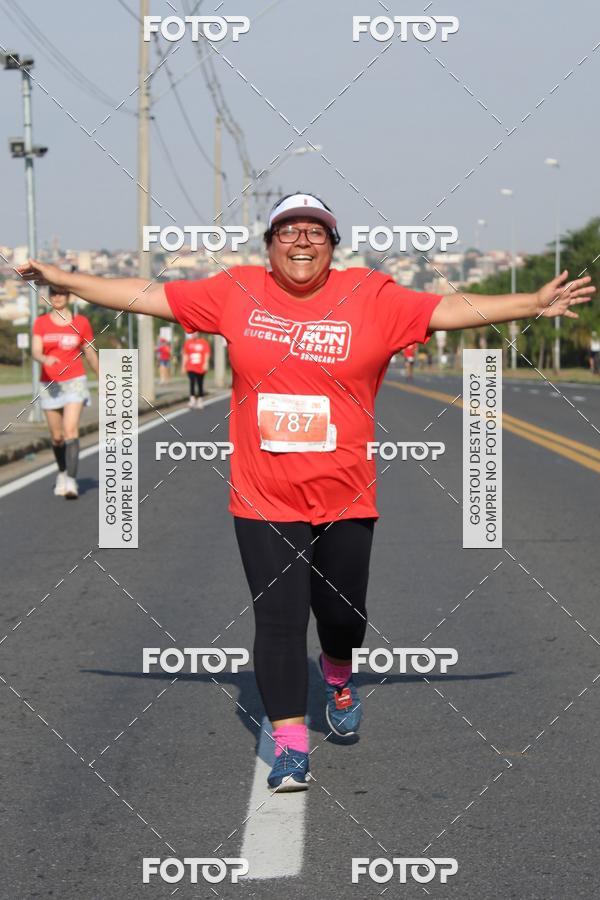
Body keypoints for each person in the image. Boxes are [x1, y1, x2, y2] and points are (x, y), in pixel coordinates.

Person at [17, 192, 595, 791]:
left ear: (332, 246)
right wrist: (64, 279)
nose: (301, 240)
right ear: (269, 246)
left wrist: (531, 301)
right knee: (279, 620)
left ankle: (339, 675)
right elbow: (144, 294)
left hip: (346, 494)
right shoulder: (235, 291)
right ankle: (292, 747)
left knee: (343, 617)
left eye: (315, 232)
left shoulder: (372, 296)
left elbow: (449, 309)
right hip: (263, 495)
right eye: (288, 231)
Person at [31, 284, 98, 499]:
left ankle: (71, 481)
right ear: (49, 297)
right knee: (57, 437)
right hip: (50, 383)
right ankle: (61, 471)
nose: (57, 297)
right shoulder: (41, 323)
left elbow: (90, 352)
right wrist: (44, 358)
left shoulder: (82, 323)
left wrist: (103, 377)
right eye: (53, 293)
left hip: (75, 381)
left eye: (61, 293)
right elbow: (35, 350)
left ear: (68, 296)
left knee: (70, 431)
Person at [182, 331, 211, 408]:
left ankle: (200, 400)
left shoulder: (204, 343)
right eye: (193, 333)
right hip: (190, 366)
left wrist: (206, 363)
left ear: (198, 333)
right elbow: (185, 355)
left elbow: (206, 354)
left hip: (200, 366)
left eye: (196, 332)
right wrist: (183, 366)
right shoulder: (188, 343)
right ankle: (192, 399)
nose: (194, 334)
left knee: (200, 383)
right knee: (192, 382)